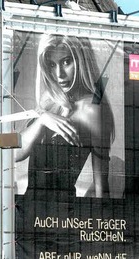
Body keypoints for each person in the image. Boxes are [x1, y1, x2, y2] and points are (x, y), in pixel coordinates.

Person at [16, 33, 115, 199]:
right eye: (52, 65)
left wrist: (102, 222)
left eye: (66, 62)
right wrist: (42, 120)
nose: (59, 74)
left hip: (60, 212)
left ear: (81, 60)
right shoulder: (49, 99)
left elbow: (101, 184)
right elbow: (11, 153)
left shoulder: (93, 111)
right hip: (27, 205)